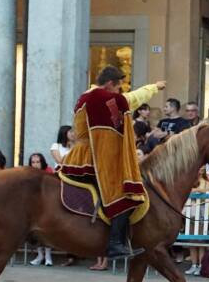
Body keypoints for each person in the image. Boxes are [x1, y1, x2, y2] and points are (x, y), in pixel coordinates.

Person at [60, 67, 166, 260]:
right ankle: (115, 244)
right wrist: (153, 88)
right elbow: (129, 100)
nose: (119, 92)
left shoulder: (89, 96)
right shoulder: (99, 97)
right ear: (110, 84)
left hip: (81, 154)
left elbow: (127, 100)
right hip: (92, 157)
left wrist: (152, 88)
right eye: (118, 88)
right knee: (125, 194)